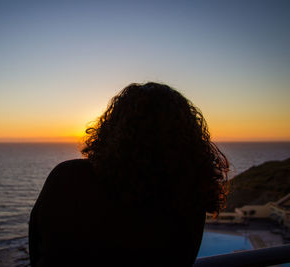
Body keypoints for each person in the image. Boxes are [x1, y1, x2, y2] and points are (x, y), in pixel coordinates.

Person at [29, 82, 229, 266]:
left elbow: (37, 249)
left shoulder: (68, 178)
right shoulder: (190, 192)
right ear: (188, 138)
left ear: (112, 129)